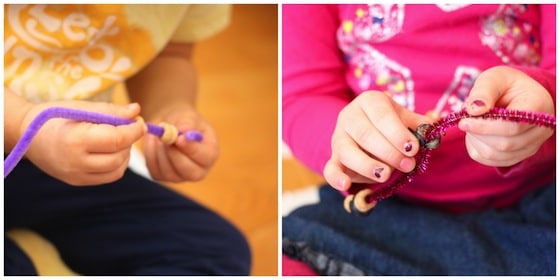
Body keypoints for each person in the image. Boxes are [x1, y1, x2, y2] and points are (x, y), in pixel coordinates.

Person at [282, 4, 555, 275]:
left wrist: (546, 98)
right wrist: (351, 144)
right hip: (382, 211)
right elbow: (302, 97)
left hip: (537, 201)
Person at [4, 4, 251, 275]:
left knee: (214, 252)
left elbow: (169, 53)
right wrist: (20, 122)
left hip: (63, 164)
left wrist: (169, 107)